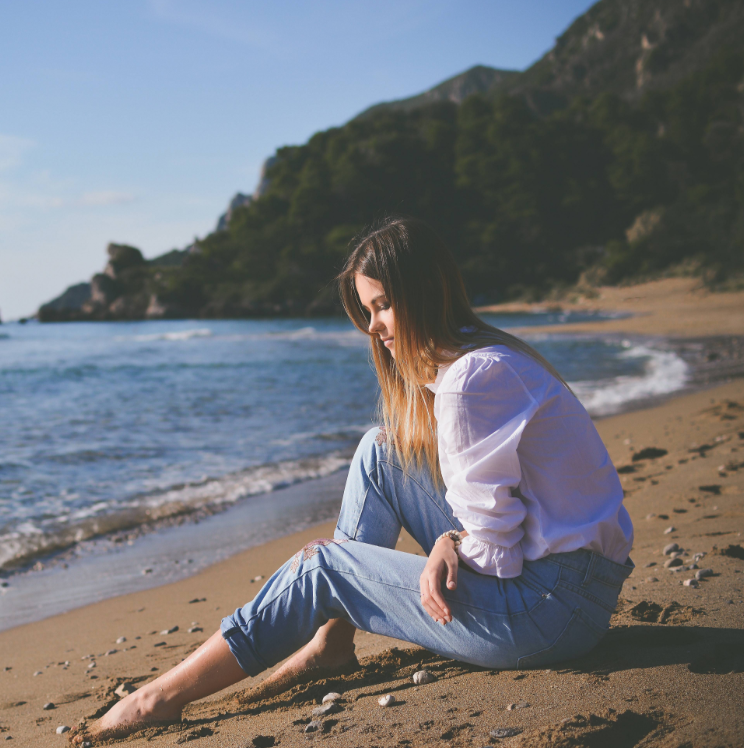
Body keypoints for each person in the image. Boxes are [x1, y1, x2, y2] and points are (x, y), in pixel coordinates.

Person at [86, 216, 634, 741]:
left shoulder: (470, 379)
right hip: (570, 591)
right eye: (367, 309)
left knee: (324, 566)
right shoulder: (482, 356)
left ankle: (158, 698)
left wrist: (449, 542)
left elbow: (498, 555)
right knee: (380, 450)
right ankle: (331, 643)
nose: (372, 326)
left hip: (547, 612)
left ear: (424, 292)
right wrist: (454, 543)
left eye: (383, 305)